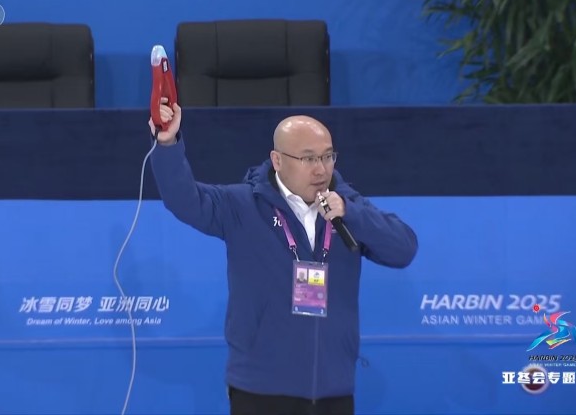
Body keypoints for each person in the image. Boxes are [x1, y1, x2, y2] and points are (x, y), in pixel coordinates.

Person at [149, 100, 418, 415]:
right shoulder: (241, 205)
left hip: (333, 391)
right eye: (308, 158)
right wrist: (167, 144)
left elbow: (403, 249)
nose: (321, 169)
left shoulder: (346, 207)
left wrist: (352, 213)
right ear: (277, 160)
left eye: (328, 156)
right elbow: (183, 199)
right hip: (260, 391)